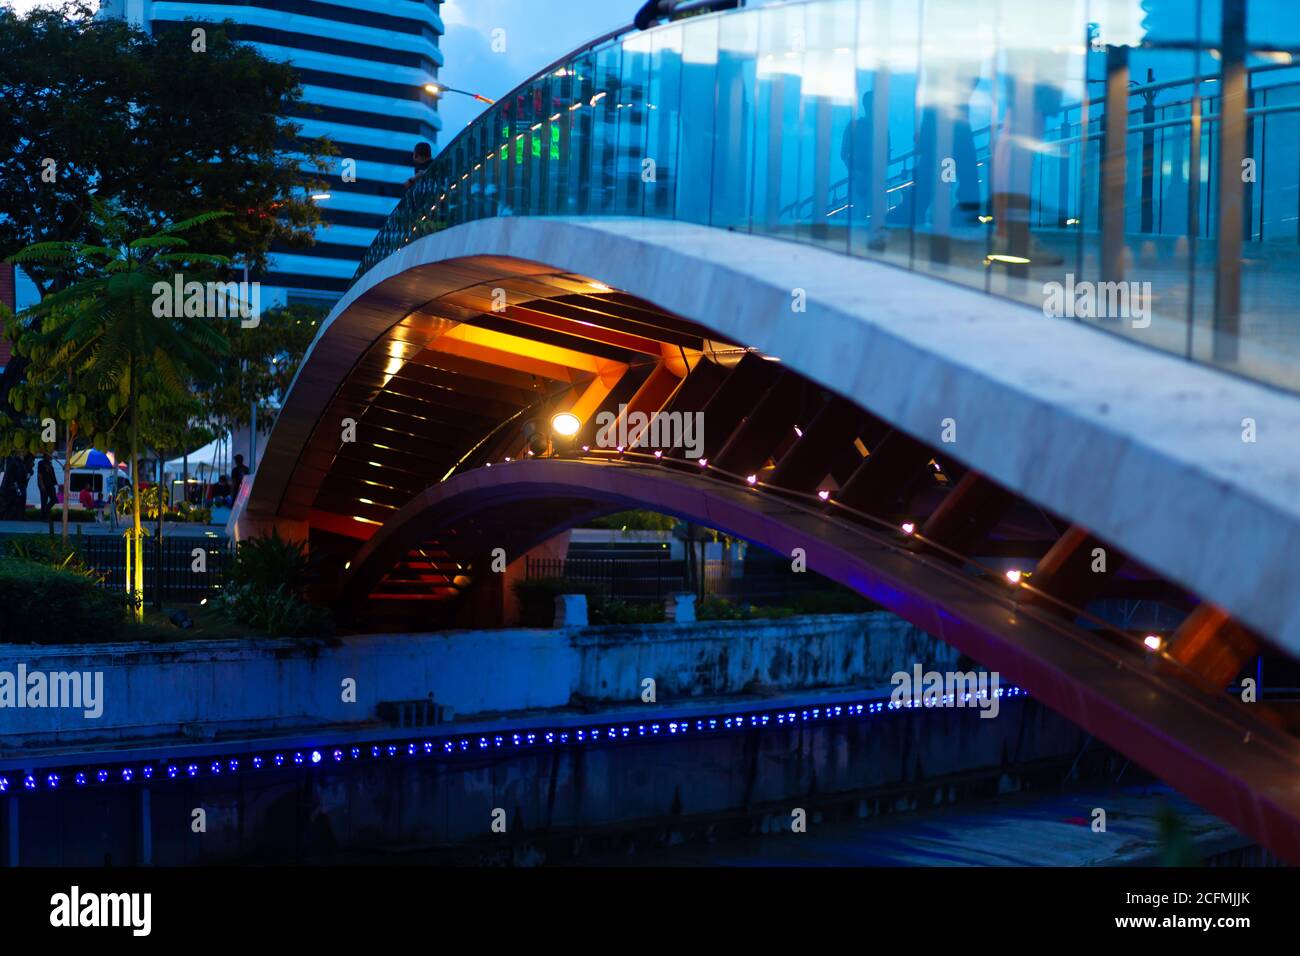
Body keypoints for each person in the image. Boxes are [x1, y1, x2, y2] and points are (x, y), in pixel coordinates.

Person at [36, 453, 57, 529]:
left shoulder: (50, 464)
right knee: (44, 500)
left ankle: (46, 512)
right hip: (44, 484)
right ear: (46, 456)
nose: (51, 456)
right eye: (50, 455)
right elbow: (39, 474)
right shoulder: (41, 463)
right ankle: (43, 516)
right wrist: (41, 485)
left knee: (54, 499)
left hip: (50, 485)